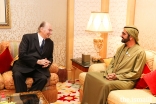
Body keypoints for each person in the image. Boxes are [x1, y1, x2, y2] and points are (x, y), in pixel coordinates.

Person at [81, 25, 146, 104]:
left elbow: (136, 74)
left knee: (105, 85)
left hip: (126, 81)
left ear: (131, 37)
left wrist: (117, 77)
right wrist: (110, 73)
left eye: (123, 34)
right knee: (90, 76)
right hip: (112, 75)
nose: (121, 35)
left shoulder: (140, 52)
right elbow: (112, 62)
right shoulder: (121, 48)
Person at [12, 21, 54, 92]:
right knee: (17, 75)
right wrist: (37, 61)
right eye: (49, 30)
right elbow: (22, 54)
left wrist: (48, 63)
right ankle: (23, 99)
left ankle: (28, 98)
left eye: (51, 30)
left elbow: (50, 58)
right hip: (23, 66)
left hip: (38, 69)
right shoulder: (27, 37)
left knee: (43, 79)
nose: (51, 33)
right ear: (41, 29)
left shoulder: (50, 43)